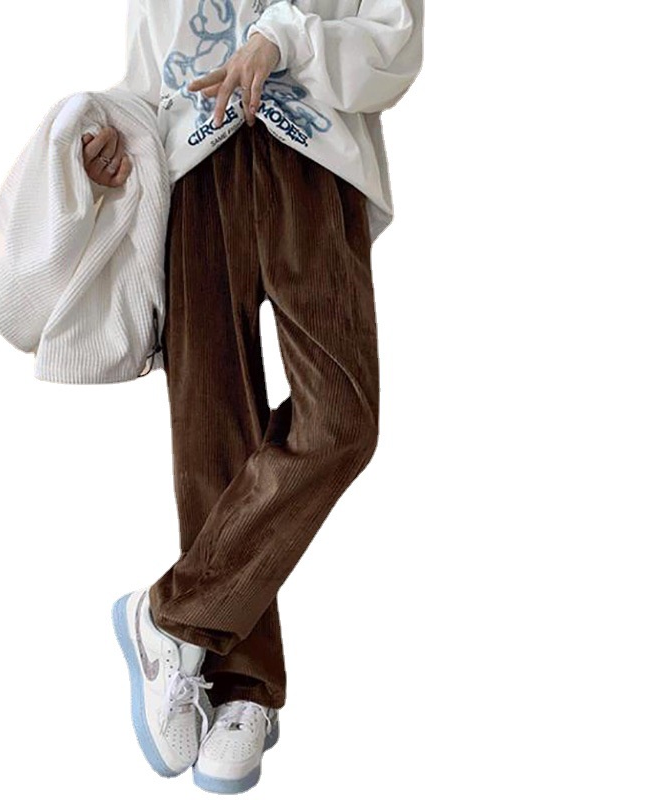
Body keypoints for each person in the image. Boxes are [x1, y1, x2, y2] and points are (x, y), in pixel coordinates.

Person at [84, 1, 423, 793]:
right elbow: (148, 78)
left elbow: (395, 43)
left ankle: (170, 616)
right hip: (193, 174)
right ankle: (242, 690)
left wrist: (282, 38)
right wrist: (115, 142)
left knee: (341, 420)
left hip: (312, 160)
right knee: (212, 435)